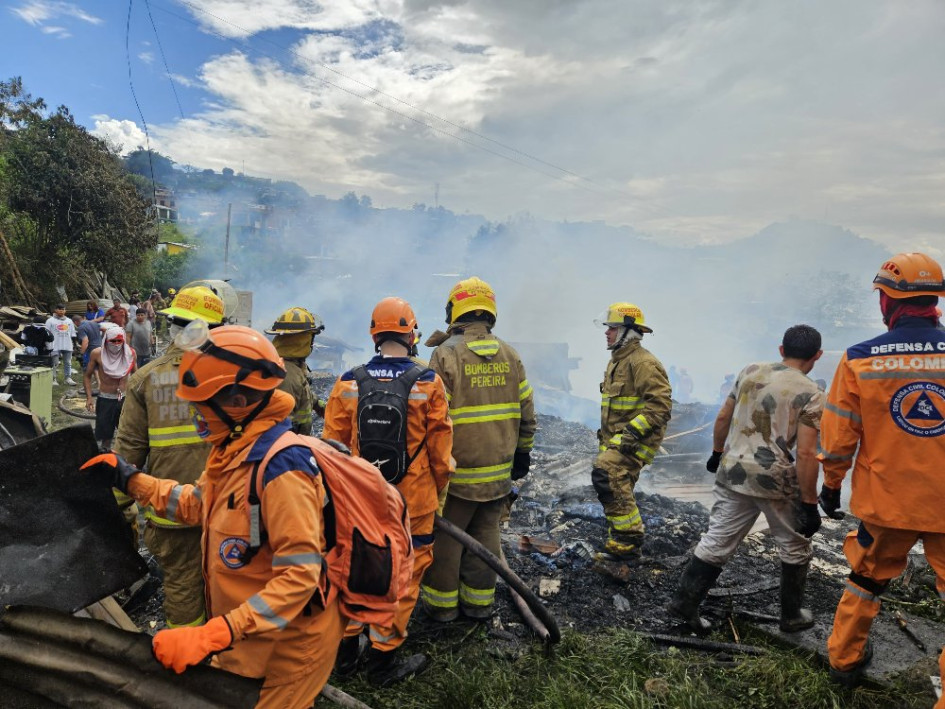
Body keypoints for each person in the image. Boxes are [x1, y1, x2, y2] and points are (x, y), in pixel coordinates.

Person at [84, 325, 345, 708]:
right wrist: (132, 479)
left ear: (237, 401)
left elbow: (300, 578)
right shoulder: (234, 451)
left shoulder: (282, 471)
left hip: (286, 648)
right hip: (249, 637)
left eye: (200, 405)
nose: (194, 415)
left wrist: (216, 633)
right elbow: (197, 505)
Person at [819, 253, 945, 688]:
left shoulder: (860, 360)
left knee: (864, 580)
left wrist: (831, 486)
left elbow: (838, 439)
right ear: (935, 302)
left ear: (887, 301)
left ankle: (844, 664)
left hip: (887, 504)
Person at [323, 297, 453, 686]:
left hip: (359, 501)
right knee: (405, 578)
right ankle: (382, 661)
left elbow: (333, 448)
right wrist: (437, 490)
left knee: (352, 568)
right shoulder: (428, 382)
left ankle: (344, 656)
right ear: (412, 333)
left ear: (374, 335)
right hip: (413, 502)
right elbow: (441, 455)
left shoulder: (348, 380)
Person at [669, 325, 825, 633]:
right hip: (774, 478)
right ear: (817, 356)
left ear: (781, 350)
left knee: (717, 540)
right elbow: (807, 454)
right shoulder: (812, 393)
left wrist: (716, 453)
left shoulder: (750, 371)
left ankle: (684, 605)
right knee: (795, 546)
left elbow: (723, 417)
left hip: (733, 471)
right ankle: (791, 616)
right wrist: (809, 503)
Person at [421, 277, 535, 621]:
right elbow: (527, 413)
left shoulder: (445, 355)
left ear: (456, 311)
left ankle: (442, 612)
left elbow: (432, 418)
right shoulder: (510, 354)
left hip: (456, 474)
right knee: (486, 539)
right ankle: (478, 606)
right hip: (498, 473)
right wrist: (522, 455)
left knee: (447, 543)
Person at [113, 286, 226, 630]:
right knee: (229, 580)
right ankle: (227, 648)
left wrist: (118, 504)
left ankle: (188, 659)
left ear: (173, 325)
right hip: (227, 507)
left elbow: (128, 449)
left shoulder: (146, 379)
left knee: (181, 585)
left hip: (170, 509)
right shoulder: (234, 375)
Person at [591, 303, 672, 562]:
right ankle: (622, 538)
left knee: (606, 473)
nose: (607, 333)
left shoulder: (644, 363)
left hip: (635, 441)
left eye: (612, 328)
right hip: (616, 440)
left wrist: (629, 435)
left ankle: (628, 541)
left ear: (628, 331)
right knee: (616, 484)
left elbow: (660, 407)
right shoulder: (617, 362)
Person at [264, 307, 325, 435]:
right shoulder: (286, 374)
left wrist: (317, 403)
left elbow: (297, 392)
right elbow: (281, 425)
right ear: (303, 340)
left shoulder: (290, 366)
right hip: (289, 448)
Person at [84, 325, 136, 451]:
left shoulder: (130, 353)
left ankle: (126, 463)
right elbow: (87, 376)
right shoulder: (97, 354)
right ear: (106, 340)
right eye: (113, 341)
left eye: (119, 341)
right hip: (106, 399)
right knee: (105, 436)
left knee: (128, 434)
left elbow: (137, 376)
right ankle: (105, 460)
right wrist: (89, 398)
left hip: (124, 399)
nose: (116, 344)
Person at [45, 304, 77, 385]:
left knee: (68, 362)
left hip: (67, 345)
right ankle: (53, 379)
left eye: (63, 309)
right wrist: (47, 345)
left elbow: (73, 334)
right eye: (59, 309)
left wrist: (75, 345)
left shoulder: (69, 321)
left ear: (65, 310)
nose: (61, 311)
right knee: (54, 363)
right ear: (55, 310)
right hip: (54, 346)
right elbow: (46, 333)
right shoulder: (50, 321)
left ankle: (68, 378)